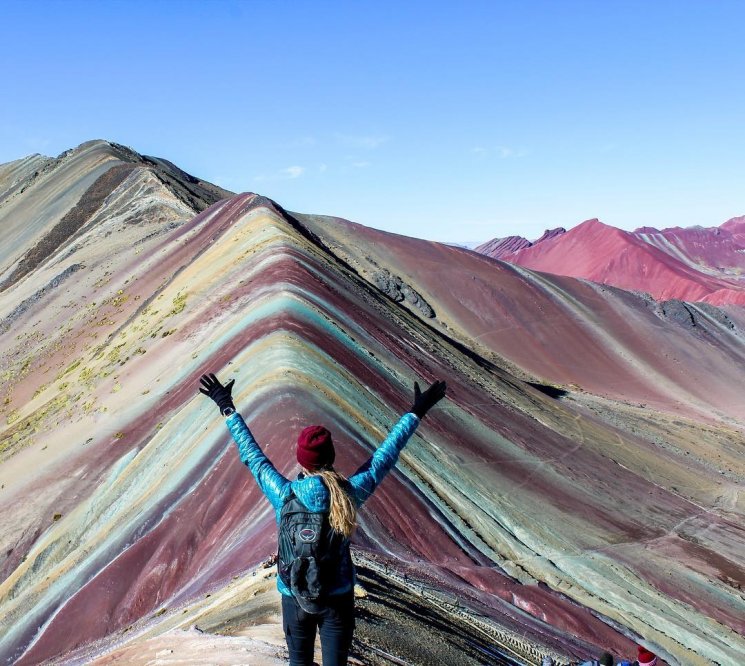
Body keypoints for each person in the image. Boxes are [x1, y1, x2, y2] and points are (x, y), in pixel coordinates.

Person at [199, 373, 447, 666]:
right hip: (338, 596)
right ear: (330, 457)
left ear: (301, 461)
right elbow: (385, 456)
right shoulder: (349, 495)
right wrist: (416, 412)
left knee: (299, 662)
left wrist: (227, 408)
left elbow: (253, 456)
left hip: (294, 594)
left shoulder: (284, 494)